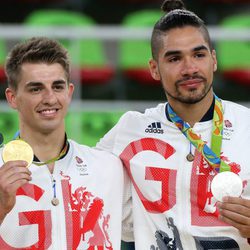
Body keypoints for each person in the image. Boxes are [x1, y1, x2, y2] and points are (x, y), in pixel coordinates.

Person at [97, 0, 250, 249]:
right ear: (154, 69)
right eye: (174, 59)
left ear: (214, 60)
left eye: (198, 55)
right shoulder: (130, 130)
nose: (190, 68)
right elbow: (74, 174)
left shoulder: (247, 127)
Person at [0, 37, 129, 249]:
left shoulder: (108, 167)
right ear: (12, 98)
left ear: (69, 93)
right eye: (36, 89)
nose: (50, 98)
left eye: (57, 87)